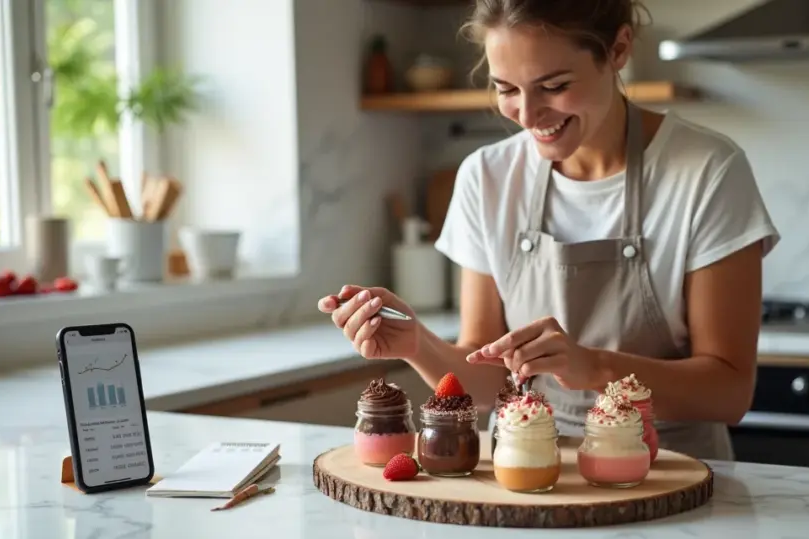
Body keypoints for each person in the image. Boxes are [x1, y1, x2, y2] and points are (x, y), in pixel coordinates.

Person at [318, 0, 779, 460]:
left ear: (618, 50)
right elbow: (486, 377)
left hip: (670, 479)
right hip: (523, 473)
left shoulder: (708, 172)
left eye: (554, 86)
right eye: (506, 89)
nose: (527, 114)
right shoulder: (487, 177)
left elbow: (729, 392)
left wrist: (593, 365)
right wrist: (417, 342)